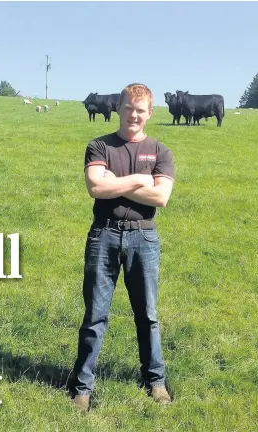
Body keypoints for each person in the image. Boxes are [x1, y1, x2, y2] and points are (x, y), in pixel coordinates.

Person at [71, 83, 175, 412]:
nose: (134, 114)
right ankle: (82, 387)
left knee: (148, 315)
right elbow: (96, 188)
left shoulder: (161, 151)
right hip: (104, 235)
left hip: (144, 237)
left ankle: (155, 381)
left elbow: (161, 197)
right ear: (119, 108)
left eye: (140, 110)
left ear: (150, 113)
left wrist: (117, 184)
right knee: (95, 316)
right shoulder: (99, 145)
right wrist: (140, 180)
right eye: (129, 107)